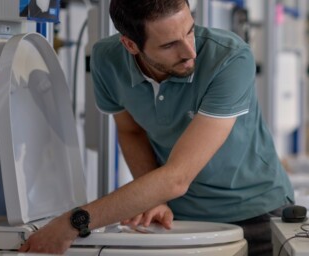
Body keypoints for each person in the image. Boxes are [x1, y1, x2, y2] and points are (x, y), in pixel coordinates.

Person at [19, 0, 294, 255]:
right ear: (130, 45)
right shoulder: (107, 60)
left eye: (190, 30)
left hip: (257, 210)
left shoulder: (230, 59)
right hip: (179, 219)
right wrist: (153, 200)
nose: (189, 51)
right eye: (169, 45)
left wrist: (73, 222)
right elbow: (131, 131)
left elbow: (177, 178)